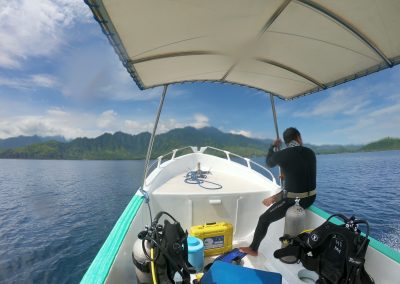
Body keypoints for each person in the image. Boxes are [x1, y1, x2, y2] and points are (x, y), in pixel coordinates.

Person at [240, 127, 316, 256]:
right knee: (288, 192)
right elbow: (300, 170)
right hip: (311, 198)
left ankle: (253, 249)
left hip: (295, 201)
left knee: (263, 219)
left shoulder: (283, 154)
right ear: (298, 138)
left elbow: (269, 162)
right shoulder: (310, 152)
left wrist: (272, 147)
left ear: (286, 141)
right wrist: (287, 174)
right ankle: (275, 198)